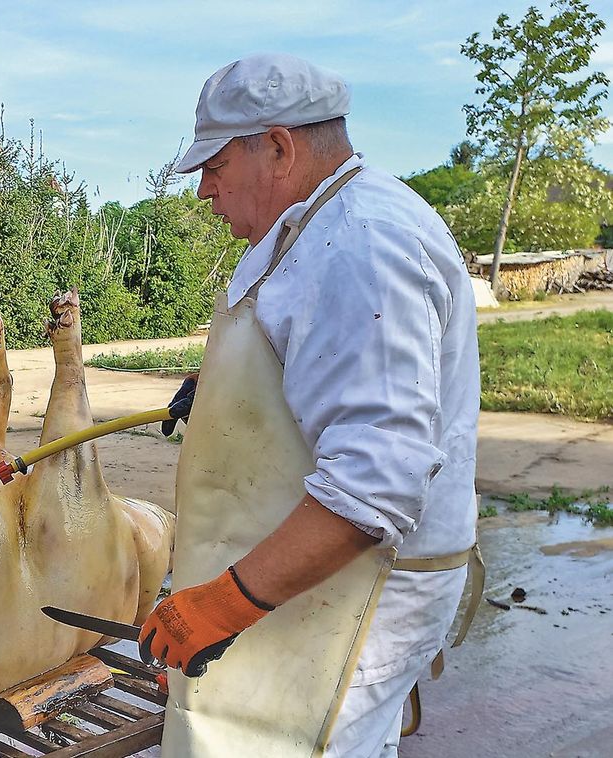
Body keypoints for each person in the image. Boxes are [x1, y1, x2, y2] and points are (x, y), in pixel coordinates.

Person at [139, 54, 480, 757]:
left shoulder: (358, 241)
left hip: (362, 585)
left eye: (213, 168)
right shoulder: (314, 225)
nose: (204, 192)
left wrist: (219, 606)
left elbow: (375, 482)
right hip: (312, 572)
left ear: (278, 146)